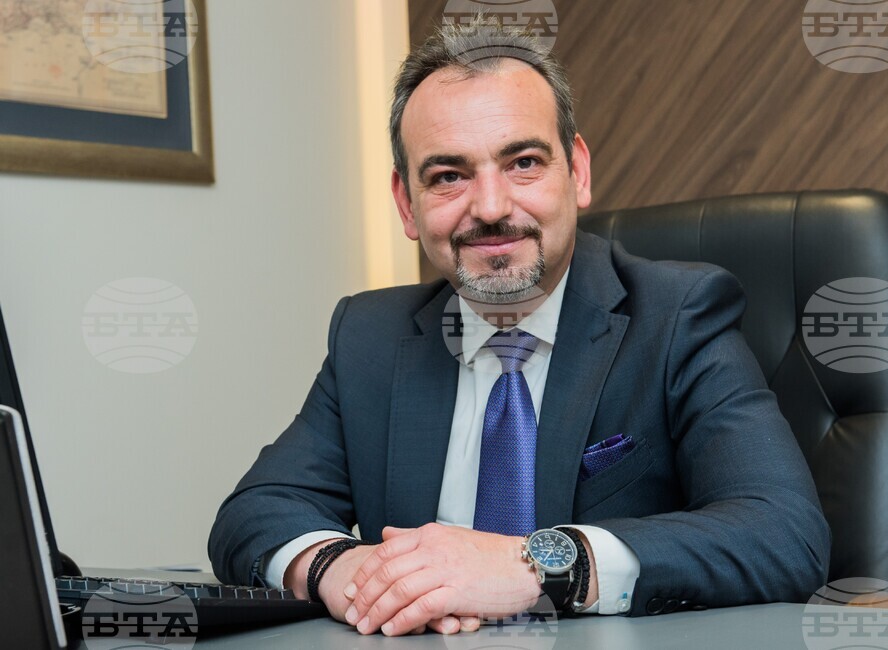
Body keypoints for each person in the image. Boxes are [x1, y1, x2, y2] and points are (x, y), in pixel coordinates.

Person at [208, 21, 831, 637]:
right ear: (405, 203)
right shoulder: (369, 336)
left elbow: (783, 534)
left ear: (577, 172)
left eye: (523, 162)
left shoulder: (678, 316)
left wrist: (533, 566)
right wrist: (343, 569)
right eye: (448, 176)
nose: (490, 207)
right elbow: (255, 511)